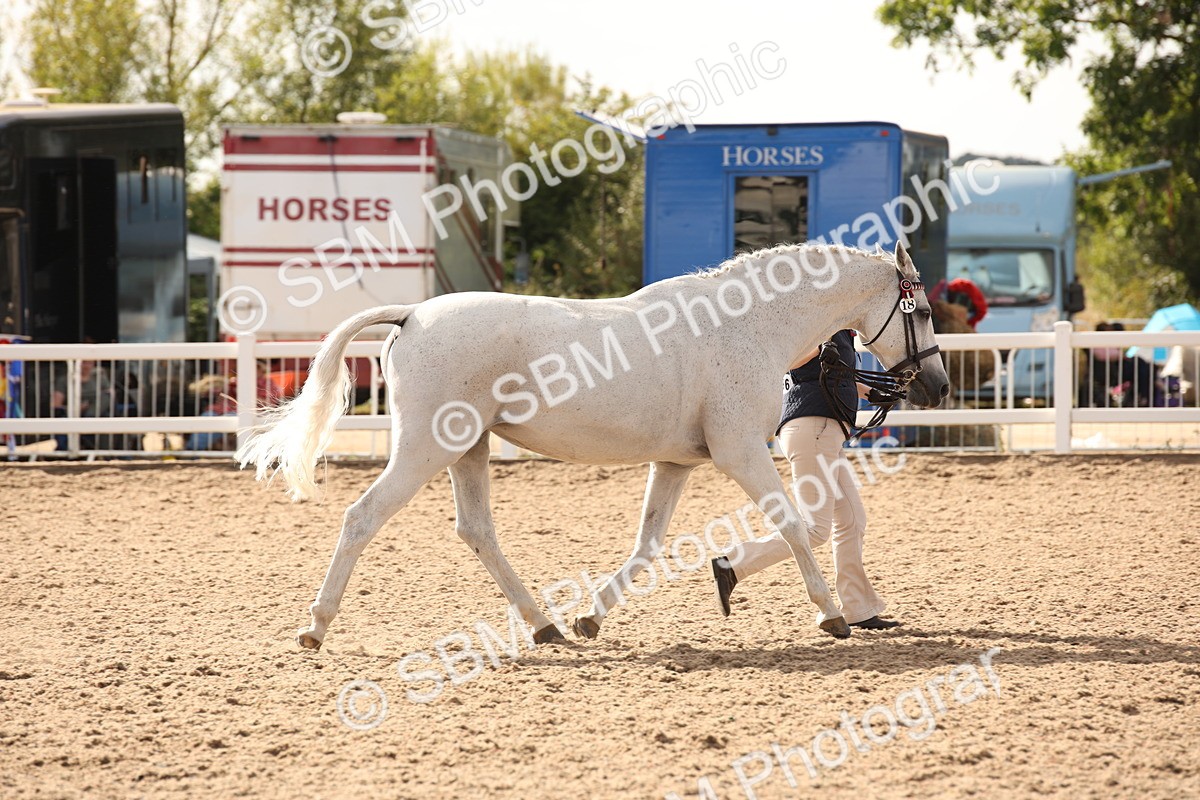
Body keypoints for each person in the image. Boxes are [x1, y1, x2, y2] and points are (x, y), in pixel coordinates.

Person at [711, 330, 900, 630]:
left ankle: (858, 608)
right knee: (815, 529)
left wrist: (871, 393)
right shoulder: (819, 324)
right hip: (813, 427)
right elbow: (789, 360)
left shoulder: (837, 327)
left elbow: (832, 373)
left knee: (851, 520)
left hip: (824, 430)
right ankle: (733, 564)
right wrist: (819, 347)